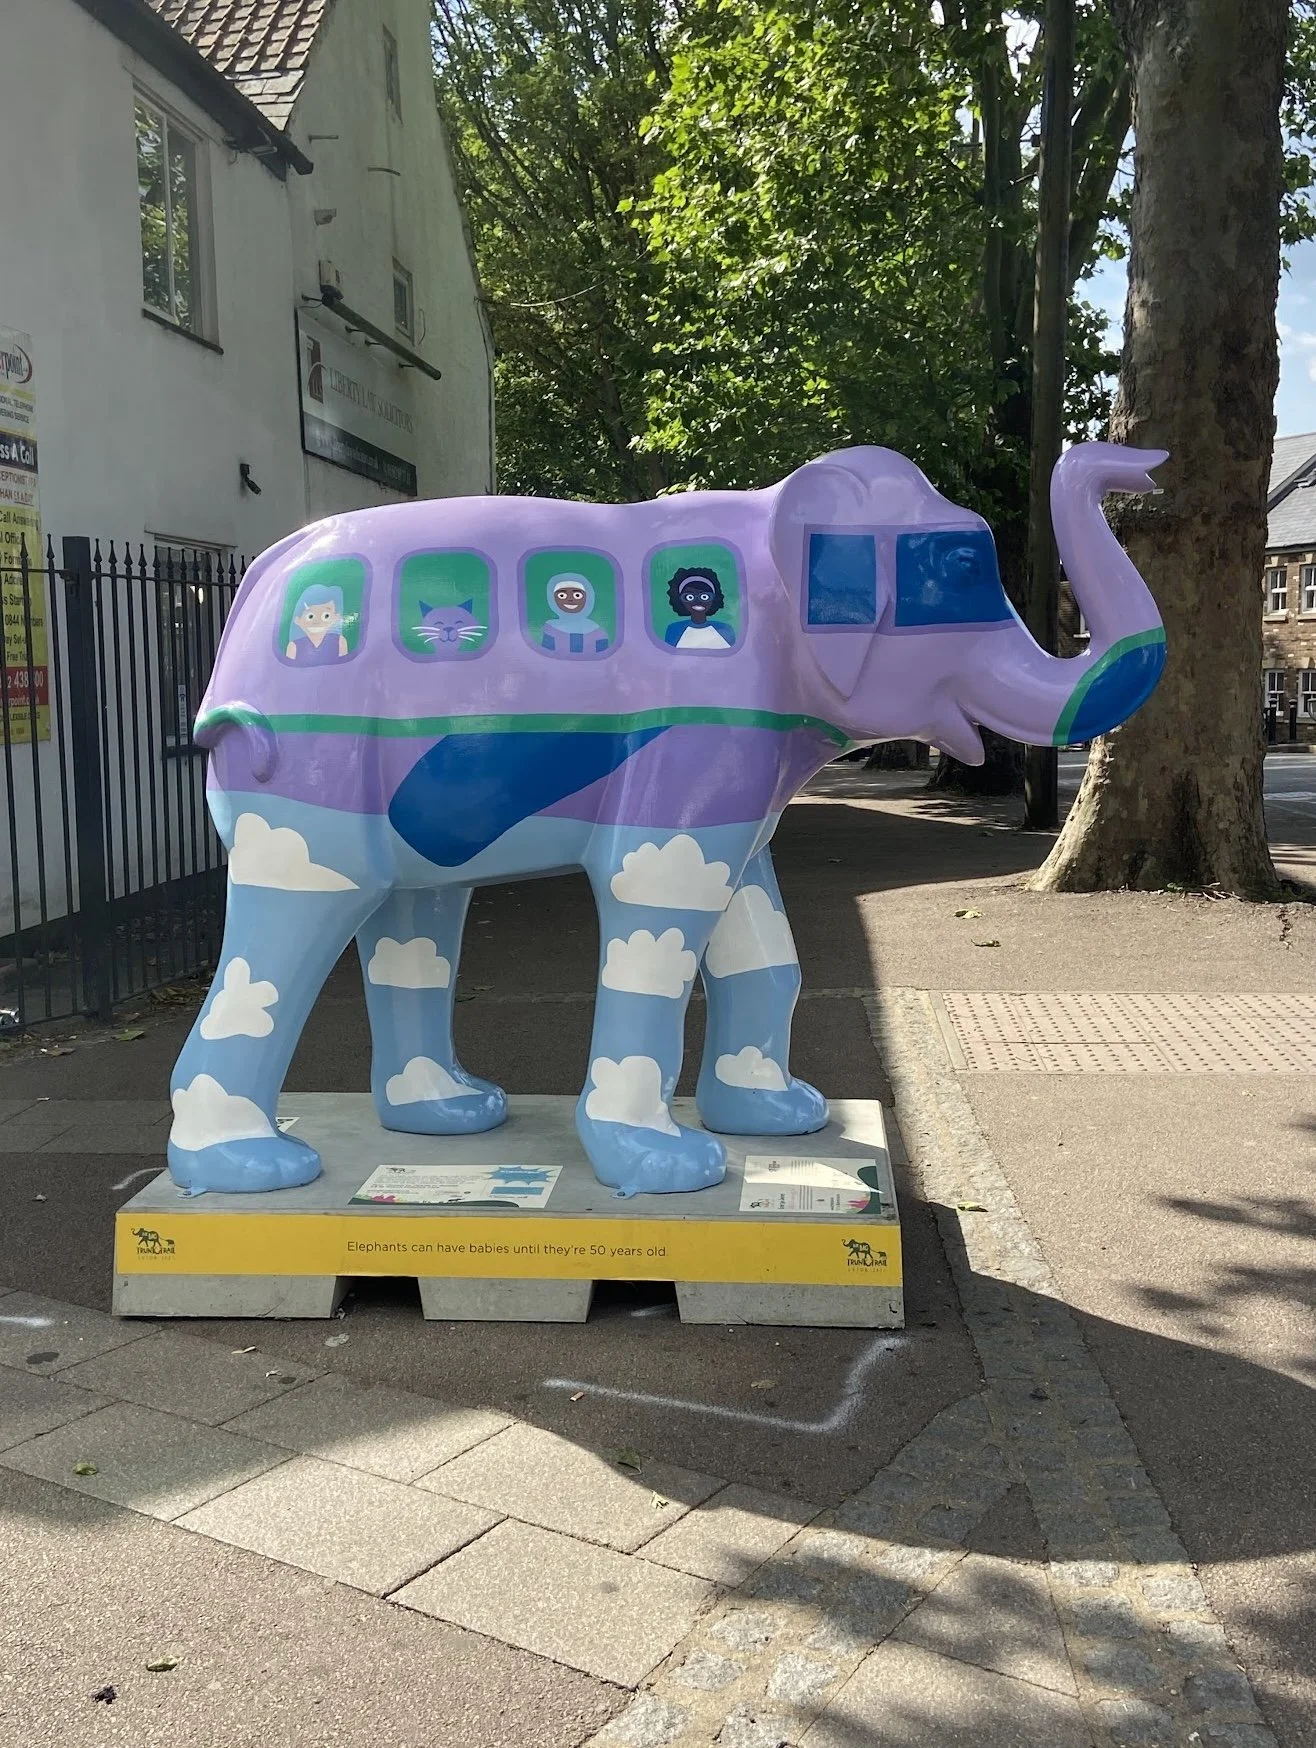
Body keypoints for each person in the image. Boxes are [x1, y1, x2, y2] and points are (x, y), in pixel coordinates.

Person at [663, 566, 736, 649]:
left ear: (714, 599)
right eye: (690, 597)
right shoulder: (674, 630)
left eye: (704, 597)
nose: (697, 602)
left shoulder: (725, 629)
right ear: (680, 600)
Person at [541, 573, 611, 655]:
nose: (570, 599)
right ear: (552, 599)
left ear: (588, 597)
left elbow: (603, 655)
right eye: (562, 595)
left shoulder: (597, 631)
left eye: (577, 595)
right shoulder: (551, 628)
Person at [285, 583, 349, 662]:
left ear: (336, 617)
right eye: (310, 616)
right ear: (297, 620)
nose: (317, 622)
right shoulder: (293, 646)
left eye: (326, 616)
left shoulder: (340, 641)